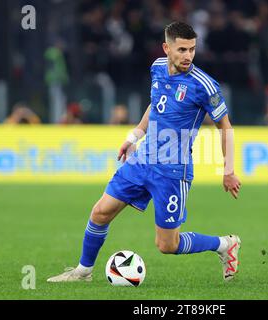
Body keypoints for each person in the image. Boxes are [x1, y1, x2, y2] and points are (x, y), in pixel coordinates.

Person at [47, 21, 242, 283]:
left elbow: (226, 128)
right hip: (142, 160)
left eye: (192, 50)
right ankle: (83, 271)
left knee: (167, 245)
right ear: (166, 48)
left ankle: (224, 244)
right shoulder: (157, 68)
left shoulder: (204, 85)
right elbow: (156, 104)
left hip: (172, 171)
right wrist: (134, 135)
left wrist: (228, 171)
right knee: (100, 212)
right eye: (182, 49)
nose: (188, 56)